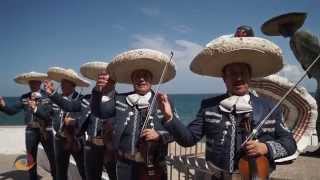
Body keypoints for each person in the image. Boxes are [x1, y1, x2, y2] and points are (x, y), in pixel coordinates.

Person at [157, 27, 297, 179]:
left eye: (242, 72)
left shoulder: (269, 106)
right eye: (232, 73)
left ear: (250, 76)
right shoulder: (209, 106)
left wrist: (266, 147)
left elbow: (290, 144)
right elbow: (188, 140)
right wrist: (169, 117)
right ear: (224, 78)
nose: (238, 78)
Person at [92, 49, 177, 180]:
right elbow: (99, 112)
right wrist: (97, 91)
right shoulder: (120, 99)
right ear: (132, 79)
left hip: (154, 167)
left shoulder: (163, 100)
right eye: (137, 76)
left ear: (152, 79)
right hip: (124, 165)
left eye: (145, 75)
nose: (141, 79)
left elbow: (177, 132)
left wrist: (160, 135)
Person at [43, 62, 117, 180]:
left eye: (107, 78)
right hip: (91, 146)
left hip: (111, 148)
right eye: (101, 78)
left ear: (114, 81)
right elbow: (69, 106)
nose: (103, 81)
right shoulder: (88, 99)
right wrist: (52, 93)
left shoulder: (121, 100)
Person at [34, 67, 89, 180]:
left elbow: (84, 117)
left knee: (83, 169)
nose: (62, 85)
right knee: (60, 171)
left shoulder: (81, 99)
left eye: (65, 83)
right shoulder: (56, 99)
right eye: (62, 82)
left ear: (73, 84)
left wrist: (75, 122)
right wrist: (35, 109)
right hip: (59, 139)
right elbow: (47, 116)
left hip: (76, 140)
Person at [0, 72, 56, 180]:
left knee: (52, 157)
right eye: (30, 82)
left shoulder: (48, 96)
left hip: (46, 129)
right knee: (31, 160)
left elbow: (49, 115)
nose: (32, 84)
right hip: (31, 131)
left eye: (35, 82)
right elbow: (12, 111)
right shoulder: (25, 97)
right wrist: (3, 105)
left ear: (39, 83)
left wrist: (36, 108)